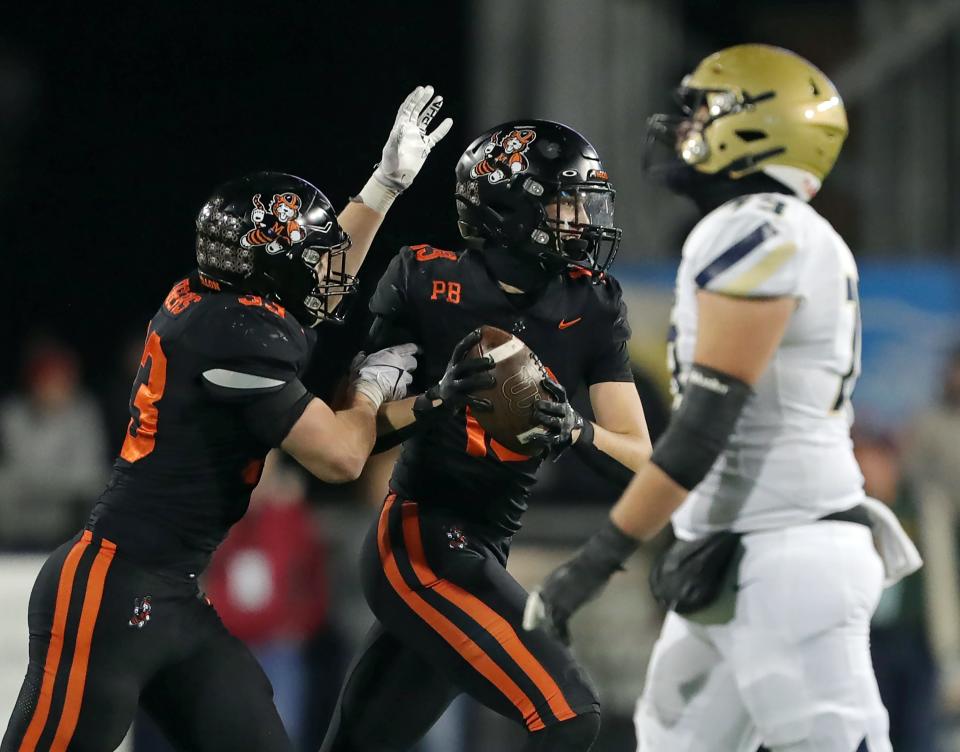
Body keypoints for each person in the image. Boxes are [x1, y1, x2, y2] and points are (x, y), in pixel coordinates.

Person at [2, 85, 451, 752]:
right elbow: (341, 455)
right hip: (109, 593)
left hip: (174, 593)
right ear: (268, 271)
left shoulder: (227, 308)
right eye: (304, 257)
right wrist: (372, 392)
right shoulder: (232, 333)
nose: (327, 273)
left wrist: (383, 186)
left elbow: (319, 280)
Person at [525, 45, 919, 752]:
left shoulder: (754, 228)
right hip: (741, 554)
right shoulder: (775, 230)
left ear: (760, 127)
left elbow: (704, 428)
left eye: (702, 111)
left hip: (787, 556)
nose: (682, 127)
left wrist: (595, 563)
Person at [320, 120, 652, 752]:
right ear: (511, 208)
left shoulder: (595, 303)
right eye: (565, 201)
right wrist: (434, 402)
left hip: (486, 544)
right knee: (567, 710)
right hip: (418, 540)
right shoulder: (424, 278)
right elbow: (350, 438)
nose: (583, 219)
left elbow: (641, 461)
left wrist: (576, 432)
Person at [0, 339, 108, 549]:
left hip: (66, 515)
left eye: (62, 380)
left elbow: (90, 474)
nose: (55, 388)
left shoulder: (84, 412)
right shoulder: (13, 414)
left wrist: (48, 484)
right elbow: (14, 472)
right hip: (20, 513)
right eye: (49, 380)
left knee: (99, 493)